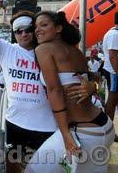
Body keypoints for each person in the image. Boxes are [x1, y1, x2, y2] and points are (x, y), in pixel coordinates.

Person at [0, 0, 96, 171]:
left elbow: (82, 74)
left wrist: (92, 86)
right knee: (12, 167)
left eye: (28, 29)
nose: (24, 34)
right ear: (14, 33)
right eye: (18, 31)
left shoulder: (48, 50)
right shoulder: (7, 50)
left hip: (47, 125)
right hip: (15, 123)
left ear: (34, 30)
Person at [25, 11, 115, 172]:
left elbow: (54, 91)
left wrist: (66, 135)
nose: (37, 30)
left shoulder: (44, 49)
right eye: (35, 27)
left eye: (44, 25)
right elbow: (92, 79)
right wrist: (93, 86)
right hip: (104, 127)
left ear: (58, 28)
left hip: (82, 133)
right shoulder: (76, 52)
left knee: (33, 170)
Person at [102, 11, 118, 142]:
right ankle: (108, 131)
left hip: (114, 71)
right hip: (114, 72)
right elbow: (113, 56)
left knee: (113, 100)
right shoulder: (114, 34)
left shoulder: (113, 32)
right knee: (112, 100)